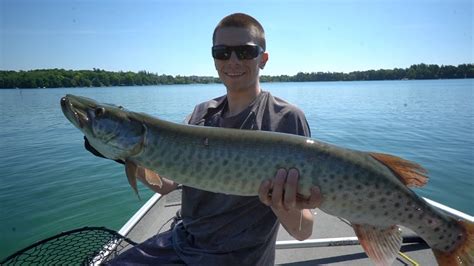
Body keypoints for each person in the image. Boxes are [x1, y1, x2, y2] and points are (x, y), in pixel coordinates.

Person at [88, 13, 322, 265]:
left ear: (263, 59)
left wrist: (280, 203)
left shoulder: (285, 119)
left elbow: (302, 230)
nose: (232, 60)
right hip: (181, 243)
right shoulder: (201, 114)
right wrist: (125, 155)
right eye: (222, 52)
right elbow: (166, 184)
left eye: (244, 51)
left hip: (238, 258)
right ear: (214, 59)